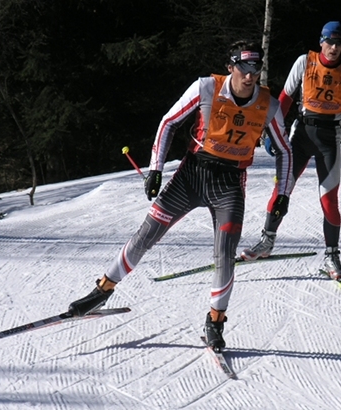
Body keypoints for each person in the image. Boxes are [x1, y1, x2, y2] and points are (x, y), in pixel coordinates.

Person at [68, 40, 294, 351]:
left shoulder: (267, 105)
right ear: (231, 67)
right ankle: (103, 290)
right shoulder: (206, 88)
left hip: (228, 183)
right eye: (243, 68)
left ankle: (215, 321)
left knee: (224, 254)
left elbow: (284, 150)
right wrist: (156, 169)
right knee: (146, 234)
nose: (250, 75)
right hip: (192, 174)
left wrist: (283, 192)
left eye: (255, 68)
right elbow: (168, 122)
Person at [240, 21, 341, 281]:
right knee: (282, 189)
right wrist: (271, 133)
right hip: (302, 134)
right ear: (321, 41)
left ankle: (331, 255)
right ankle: (267, 241)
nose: (334, 48)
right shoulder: (305, 62)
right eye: (330, 42)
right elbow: (285, 98)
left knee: (329, 200)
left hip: (329, 139)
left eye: (339, 43)